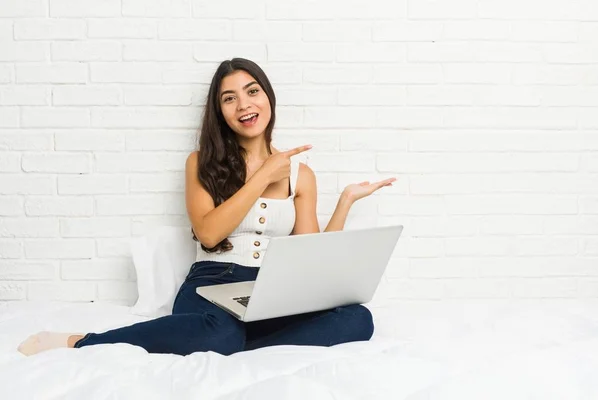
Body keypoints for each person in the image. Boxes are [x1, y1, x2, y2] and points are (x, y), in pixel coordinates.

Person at [17, 58, 396, 357]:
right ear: (220, 111)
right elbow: (209, 233)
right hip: (211, 283)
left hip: (271, 290)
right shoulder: (201, 163)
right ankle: (84, 341)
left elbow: (310, 258)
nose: (244, 105)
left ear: (268, 98)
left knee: (358, 320)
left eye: (252, 91)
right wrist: (262, 177)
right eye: (230, 98)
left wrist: (344, 201)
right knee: (221, 331)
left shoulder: (301, 175)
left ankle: (236, 342)